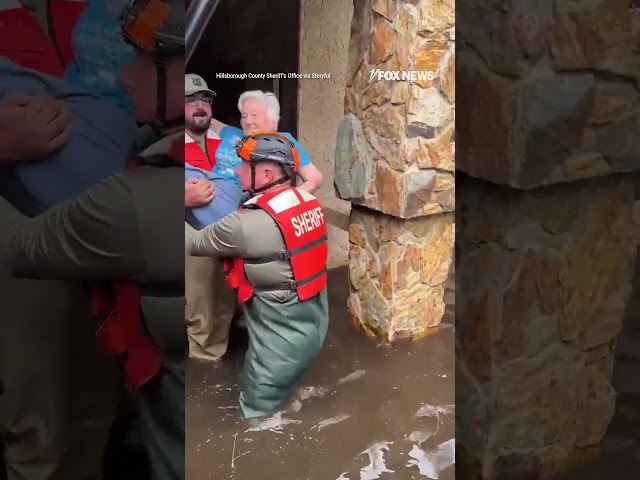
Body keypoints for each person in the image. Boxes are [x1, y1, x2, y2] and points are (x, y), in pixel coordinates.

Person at [0, 0, 187, 478]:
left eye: (143, 64)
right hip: (56, 246)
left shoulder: (134, 199)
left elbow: (25, 246)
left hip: (97, 232)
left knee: (98, 412)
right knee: (46, 427)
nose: (125, 77)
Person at [185, 132, 330, 418]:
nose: (237, 172)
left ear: (265, 173)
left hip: (277, 348)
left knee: (254, 417)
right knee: (288, 397)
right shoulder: (307, 201)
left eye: (243, 166)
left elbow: (193, 243)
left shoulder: (244, 225)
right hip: (312, 327)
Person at [183, 73, 240, 362]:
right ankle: (204, 357)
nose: (199, 106)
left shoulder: (229, 139)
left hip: (237, 230)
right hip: (194, 232)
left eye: (204, 100)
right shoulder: (162, 145)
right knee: (204, 301)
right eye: (190, 101)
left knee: (229, 297)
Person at [210, 90, 324, 192]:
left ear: (272, 118)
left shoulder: (282, 143)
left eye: (254, 115)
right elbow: (208, 121)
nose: (248, 121)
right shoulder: (232, 133)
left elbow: (314, 178)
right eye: (244, 116)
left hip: (238, 201)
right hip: (208, 187)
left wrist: (290, 200)